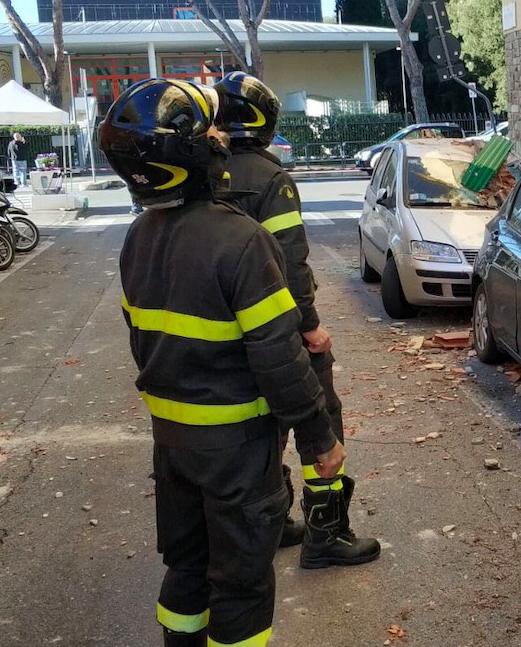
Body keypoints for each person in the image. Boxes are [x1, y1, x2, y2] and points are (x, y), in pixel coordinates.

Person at [99, 77, 345, 647]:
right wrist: (318, 438)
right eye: (210, 127)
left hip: (173, 445)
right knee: (240, 584)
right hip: (236, 452)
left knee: (187, 570)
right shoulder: (241, 241)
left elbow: (142, 341)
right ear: (189, 152)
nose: (220, 134)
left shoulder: (138, 237)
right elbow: (280, 359)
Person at [214, 71, 380, 569]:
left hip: (230, 332)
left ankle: (273, 521)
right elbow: (289, 260)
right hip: (280, 328)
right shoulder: (271, 181)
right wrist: (309, 325)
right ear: (266, 123)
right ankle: (326, 534)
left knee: (262, 429)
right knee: (319, 418)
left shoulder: (209, 174)